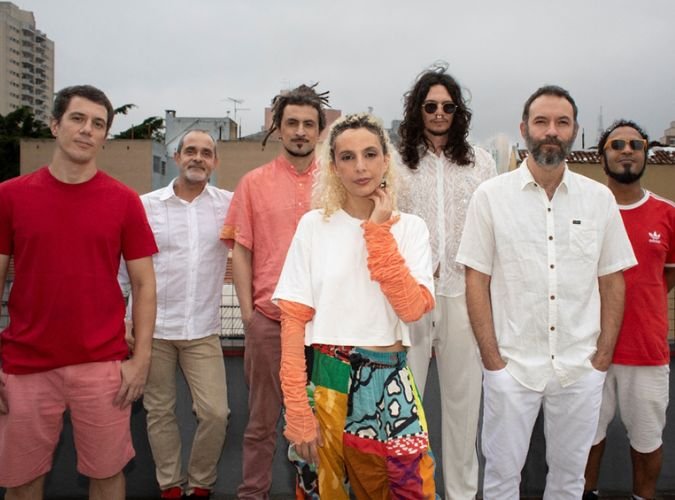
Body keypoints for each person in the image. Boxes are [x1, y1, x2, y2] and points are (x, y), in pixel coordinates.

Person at [456, 85, 637, 499]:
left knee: (570, 480)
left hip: (579, 367)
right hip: (512, 366)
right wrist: (492, 361)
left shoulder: (599, 200)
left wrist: (601, 358)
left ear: (574, 130)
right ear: (524, 129)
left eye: (562, 122)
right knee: (501, 478)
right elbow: (476, 279)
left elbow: (612, 279)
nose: (551, 131)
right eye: (541, 122)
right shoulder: (491, 197)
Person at [0, 85, 157, 500]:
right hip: (25, 365)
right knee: (21, 483)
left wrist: (140, 361)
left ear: (105, 136)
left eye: (98, 124)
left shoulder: (124, 201)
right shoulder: (9, 196)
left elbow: (144, 284)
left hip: (102, 366)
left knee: (108, 477)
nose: (88, 129)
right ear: (55, 125)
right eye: (77, 118)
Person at [273, 112, 436, 499]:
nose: (360, 167)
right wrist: (297, 410)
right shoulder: (314, 226)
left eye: (370, 154)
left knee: (410, 489)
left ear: (386, 161)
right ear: (333, 167)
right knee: (328, 491)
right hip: (327, 378)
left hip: (390, 379)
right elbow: (293, 322)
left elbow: (412, 309)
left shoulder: (411, 228)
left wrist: (378, 232)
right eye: (347, 157)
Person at [221, 83, 329, 500]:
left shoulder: (337, 183)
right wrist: (249, 317)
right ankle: (253, 494)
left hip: (325, 327)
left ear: (319, 130)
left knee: (323, 423)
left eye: (308, 124)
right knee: (261, 423)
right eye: (292, 123)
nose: (300, 131)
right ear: (278, 128)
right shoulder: (253, 183)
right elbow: (241, 251)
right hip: (269, 323)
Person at [397, 64, 496, 500]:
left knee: (464, 406)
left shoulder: (481, 162)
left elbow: (492, 228)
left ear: (458, 112)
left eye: (448, 106)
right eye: (431, 105)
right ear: (417, 109)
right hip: (411, 297)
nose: (439, 113)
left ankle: (461, 494)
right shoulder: (397, 161)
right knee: (406, 406)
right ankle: (412, 492)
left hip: (464, 293)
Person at [121, 130, 231, 499]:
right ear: (176, 157)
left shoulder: (228, 206)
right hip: (152, 330)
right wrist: (124, 317)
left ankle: (201, 483)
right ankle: (170, 486)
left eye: (206, 153)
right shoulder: (146, 206)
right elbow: (124, 266)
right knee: (159, 411)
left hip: (203, 329)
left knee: (216, 413)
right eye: (191, 151)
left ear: (215, 162)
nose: (198, 158)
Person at [583, 121, 675, 500]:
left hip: (646, 350)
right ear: (602, 156)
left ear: (646, 153)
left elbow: (665, 276)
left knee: (647, 440)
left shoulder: (668, 213)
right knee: (586, 438)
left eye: (635, 145)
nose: (627, 151)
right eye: (617, 144)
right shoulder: (585, 212)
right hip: (589, 350)